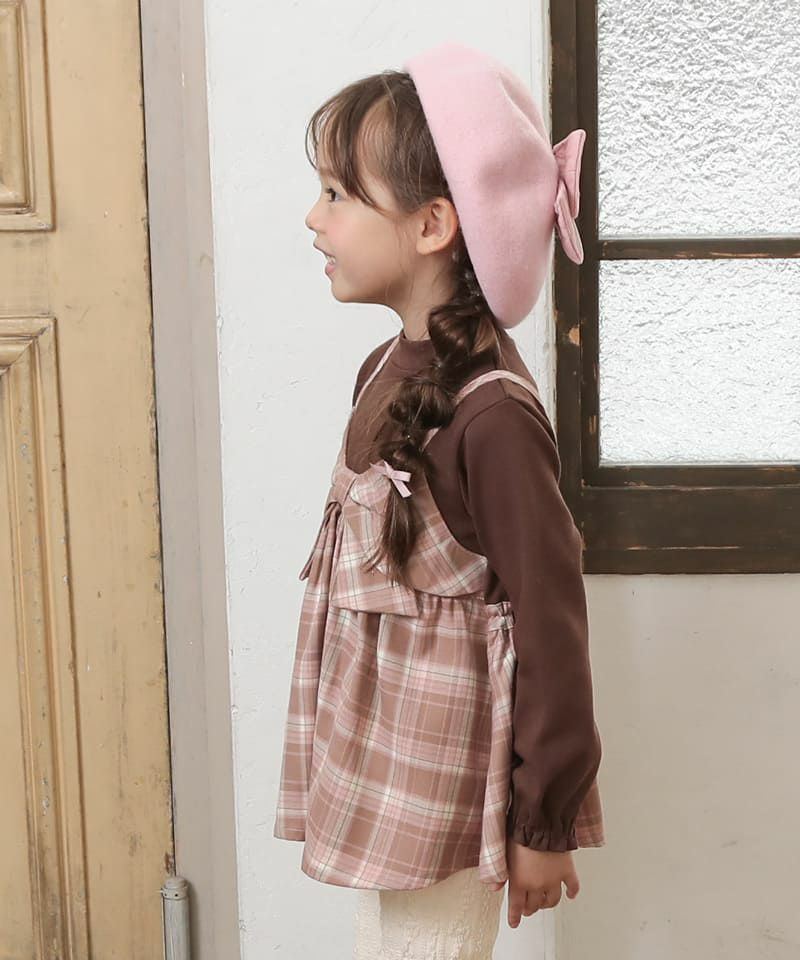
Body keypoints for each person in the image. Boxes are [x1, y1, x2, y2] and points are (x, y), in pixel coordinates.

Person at [273, 40, 606, 960]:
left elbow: (550, 621)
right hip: (385, 773)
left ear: (432, 225)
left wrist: (543, 822)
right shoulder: (384, 368)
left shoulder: (491, 417)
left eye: (338, 195)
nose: (314, 218)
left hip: (448, 790)